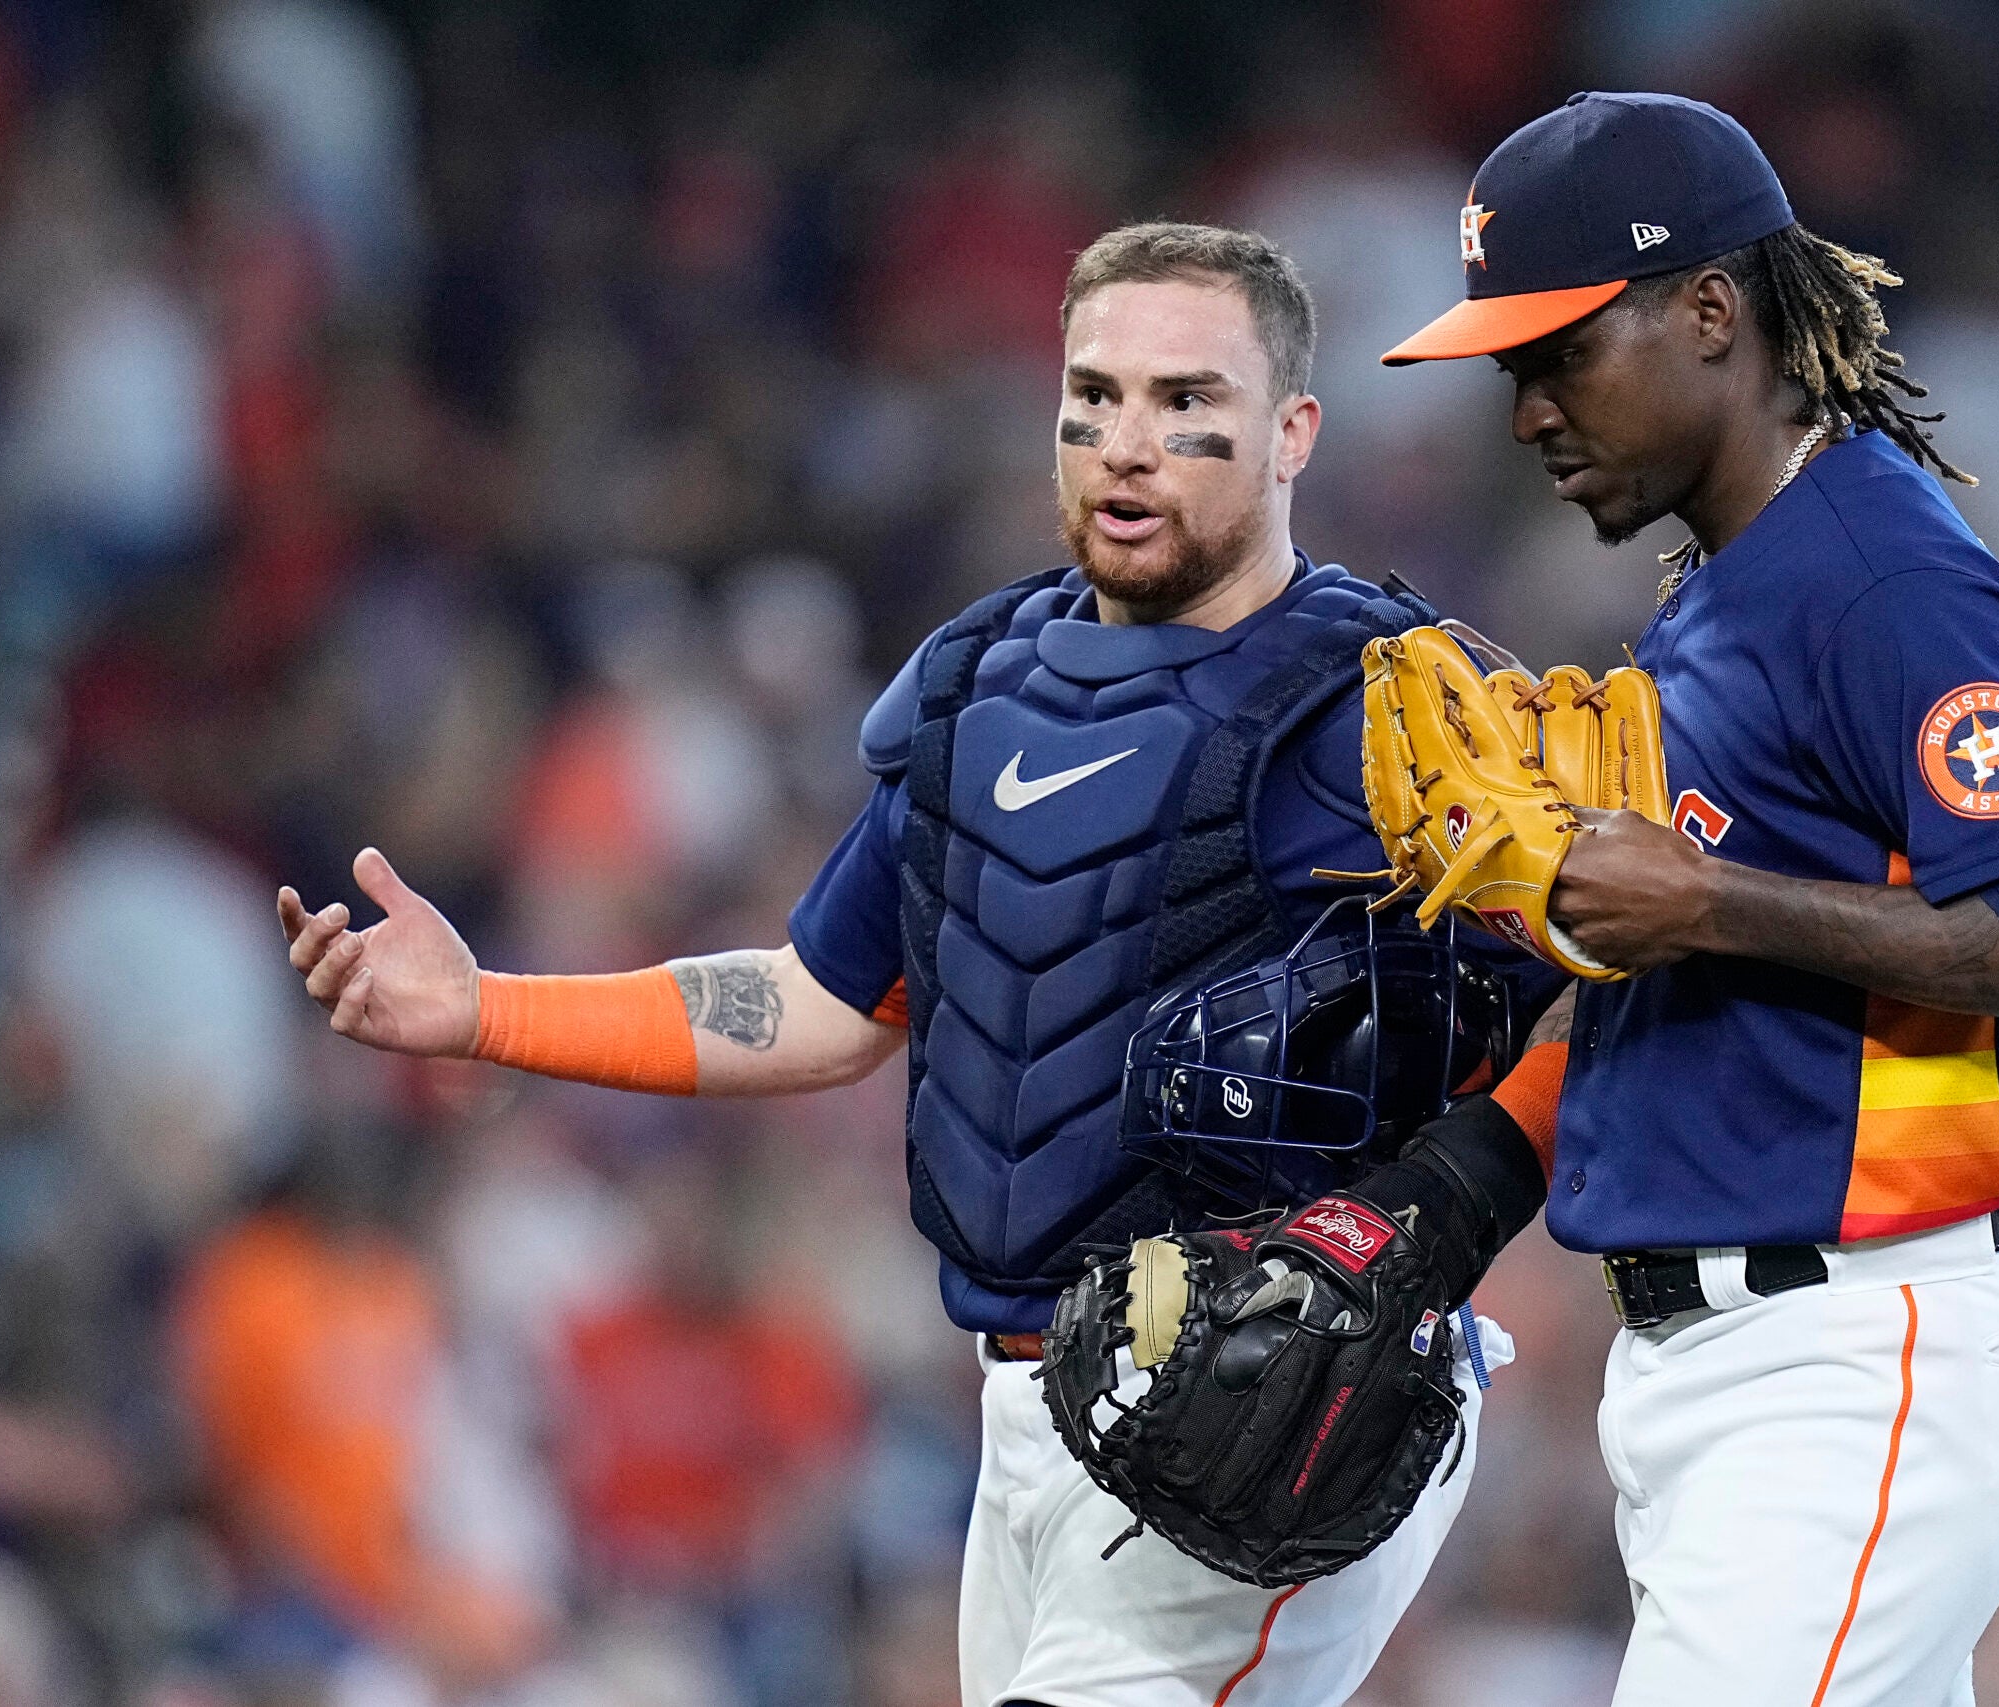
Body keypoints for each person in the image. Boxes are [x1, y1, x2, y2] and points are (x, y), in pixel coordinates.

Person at [277, 221, 1558, 1707]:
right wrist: (486, 1009)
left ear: (1292, 435)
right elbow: (819, 1001)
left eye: (1187, 404)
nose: (1128, 445)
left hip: (1273, 1408)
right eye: (1095, 398)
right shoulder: (986, 687)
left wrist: (1429, 1225)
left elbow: (1609, 976)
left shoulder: (1388, 704)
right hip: (1032, 1407)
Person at [1381, 94, 1999, 1705]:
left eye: (1561, 354)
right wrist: (1456, 1186)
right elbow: (1673, 986)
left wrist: (1717, 904)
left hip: (1860, 1358)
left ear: (1713, 313)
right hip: (1728, 1368)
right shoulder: (1725, 587)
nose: (1526, 411)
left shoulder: (1879, 574)